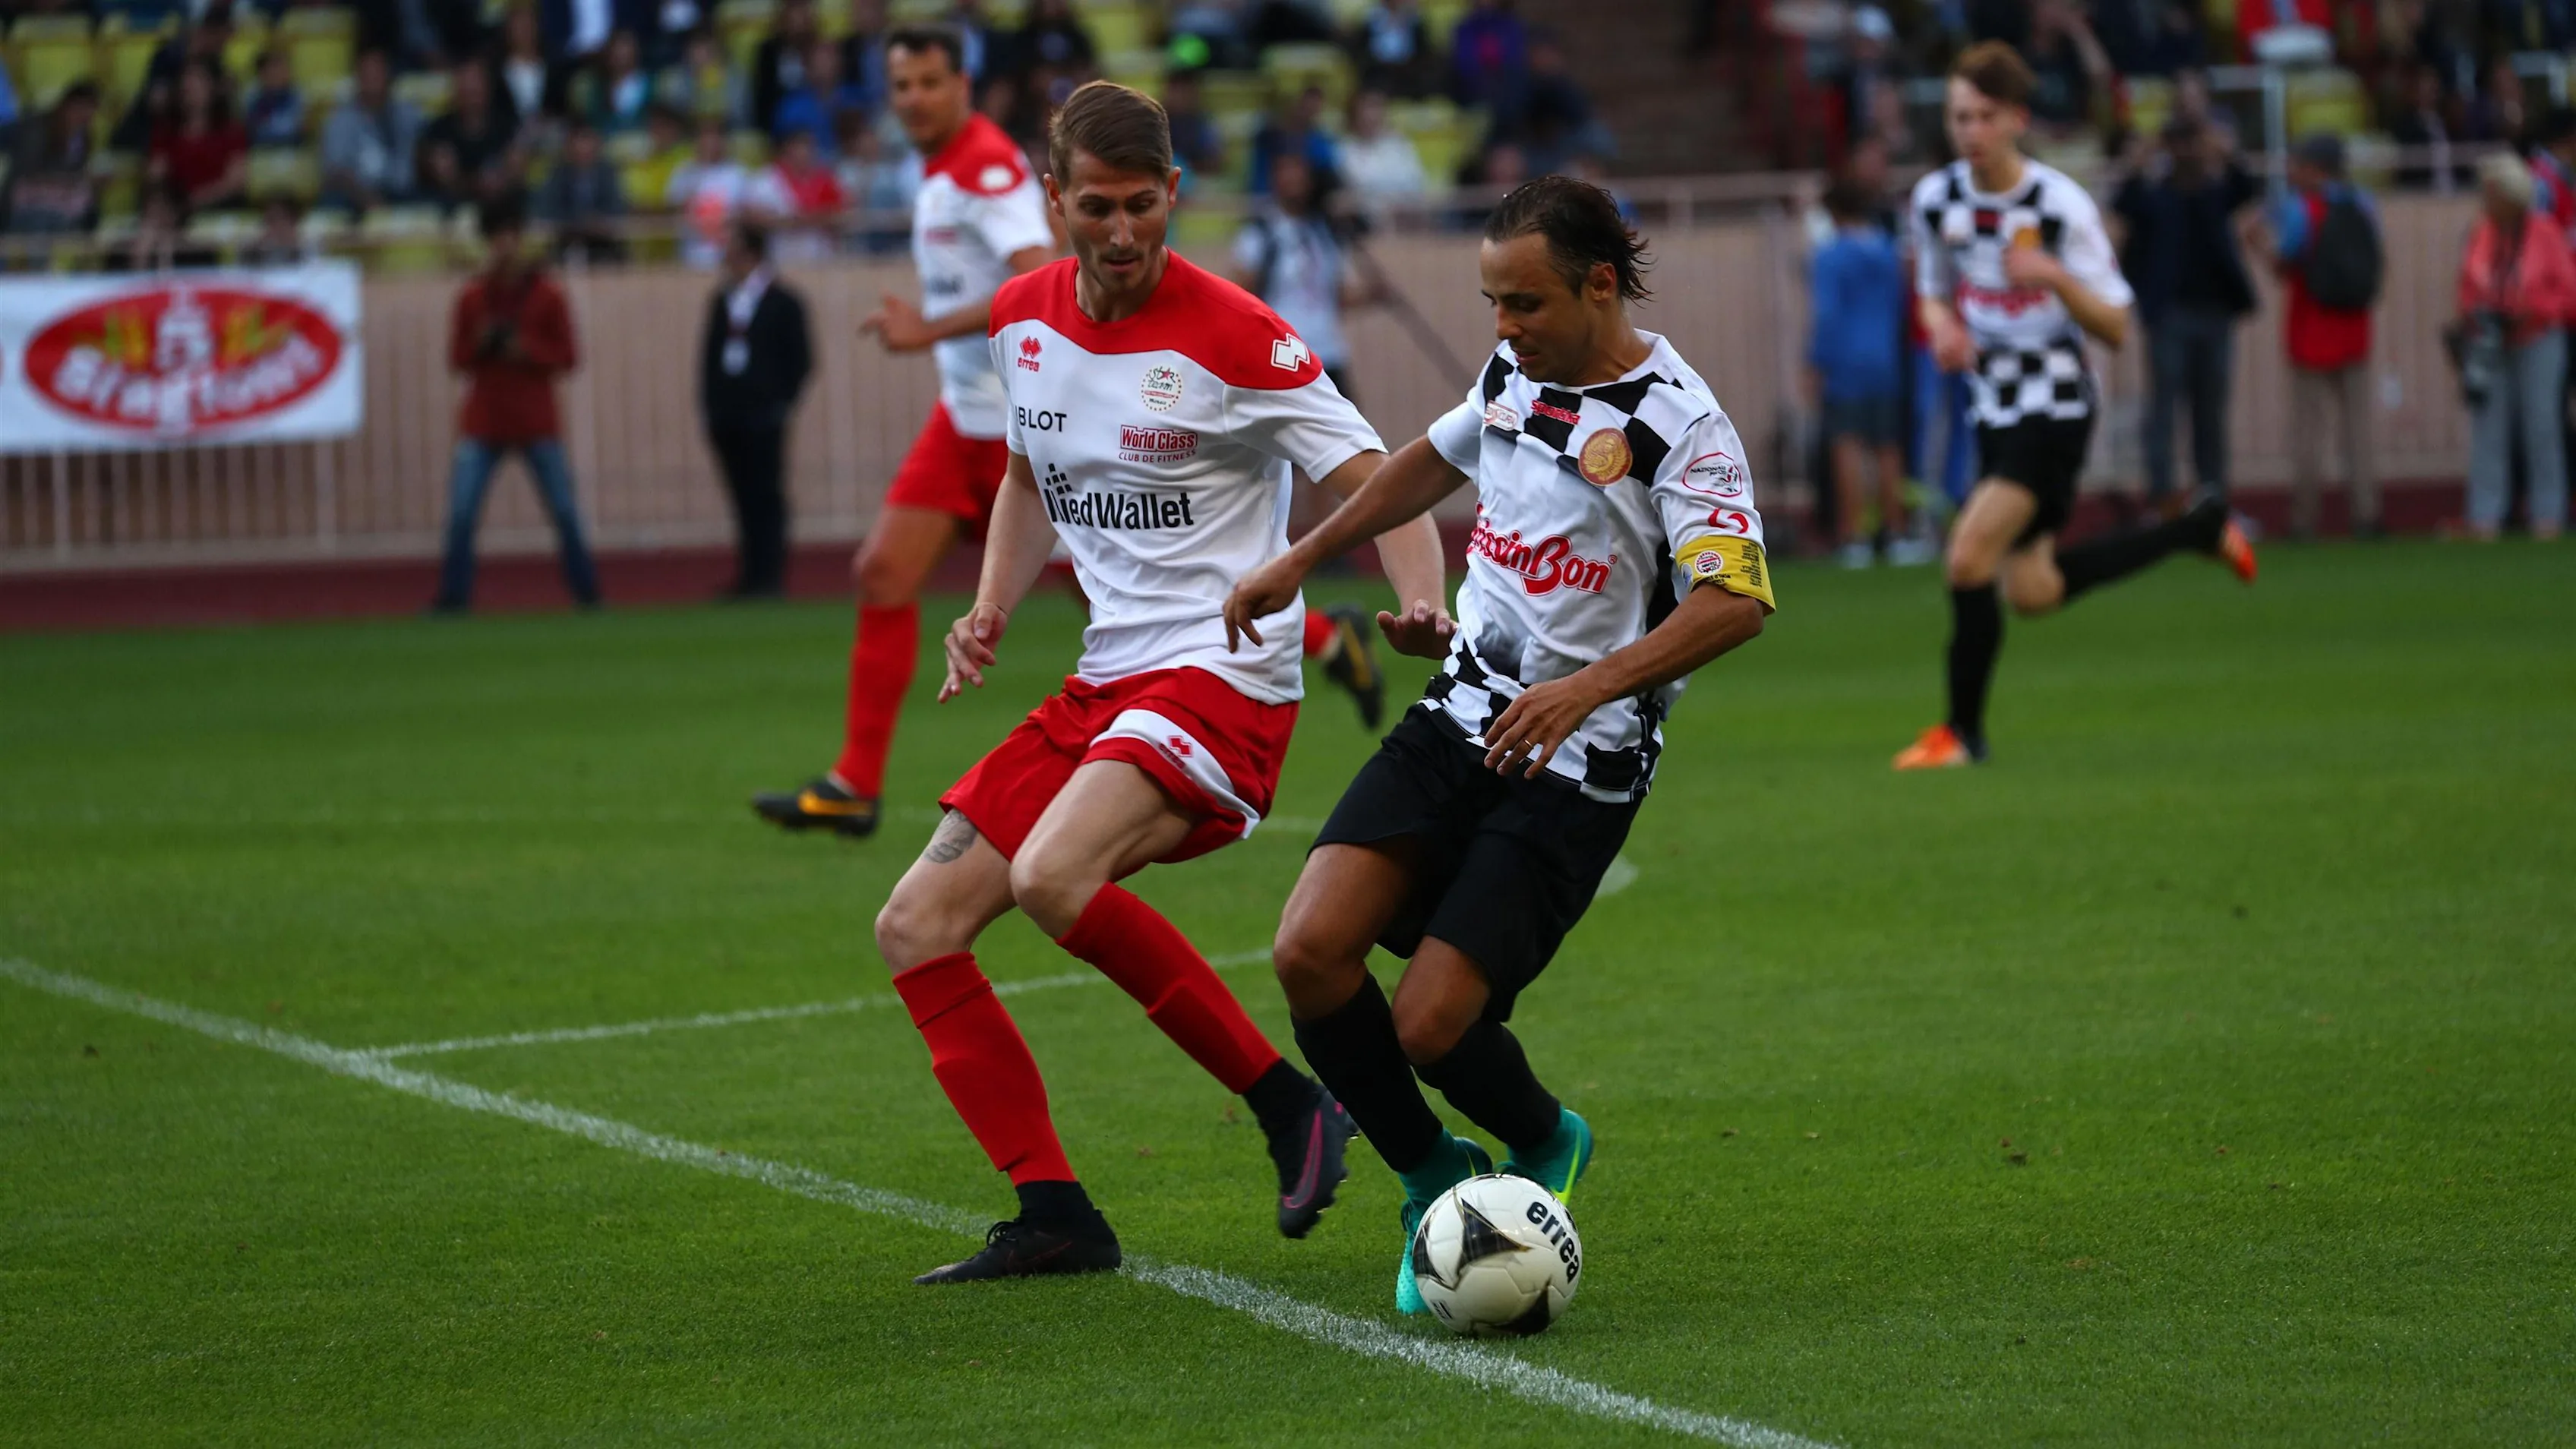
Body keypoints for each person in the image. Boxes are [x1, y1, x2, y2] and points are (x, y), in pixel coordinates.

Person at [874, 79, 1446, 1286]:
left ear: (1174, 194)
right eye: (1097, 207)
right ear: (1056, 200)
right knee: (916, 927)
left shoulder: (1238, 333)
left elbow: (1378, 476)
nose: (1124, 232)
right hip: (1104, 683)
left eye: (1145, 205)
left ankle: (1291, 1100)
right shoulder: (1023, 319)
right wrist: (985, 607)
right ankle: (1056, 1215)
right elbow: (1030, 481)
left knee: (1049, 874)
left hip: (1221, 676)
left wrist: (1423, 596)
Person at [1222, 174, 1774, 1317]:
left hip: (1579, 760)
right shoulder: (1514, 372)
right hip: (1461, 708)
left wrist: (1587, 688)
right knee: (1309, 952)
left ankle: (1544, 1137)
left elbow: (1736, 601)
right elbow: (1430, 459)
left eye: (1523, 303)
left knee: (1430, 1023)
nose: (1504, 327)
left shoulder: (1682, 425)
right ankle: (1434, 1178)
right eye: (1493, 303)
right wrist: (1296, 558)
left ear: (1600, 284)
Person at [1893, 43, 2254, 772]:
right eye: (1960, 116)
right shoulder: (1938, 200)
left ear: (2018, 119)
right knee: (2032, 589)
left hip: (2054, 403)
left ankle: (1962, 735)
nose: (1970, 130)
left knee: (1967, 558)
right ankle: (2193, 530)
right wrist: (1944, 328)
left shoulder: (2059, 205)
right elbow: (1932, 291)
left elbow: (2118, 326)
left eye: (1985, 116)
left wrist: (2054, 275)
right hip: (1991, 405)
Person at [750, 27, 1055, 837]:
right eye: (901, 85)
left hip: (1024, 432)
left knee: (1119, 588)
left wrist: (931, 329)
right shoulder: (939, 170)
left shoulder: (986, 170)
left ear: (964, 84)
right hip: (963, 420)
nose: (913, 98)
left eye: (928, 81)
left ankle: (1313, 635)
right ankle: (854, 785)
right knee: (882, 570)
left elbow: (1039, 275)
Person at [431, 199, 602, 614]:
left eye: (512, 237)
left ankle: (588, 594)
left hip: (534, 417)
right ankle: (454, 597)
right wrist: (484, 343)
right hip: (486, 418)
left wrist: (526, 350)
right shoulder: (473, 297)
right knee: (461, 513)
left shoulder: (547, 294)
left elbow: (569, 357)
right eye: (498, 238)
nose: (506, 247)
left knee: (564, 511)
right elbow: (457, 359)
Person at [2113, 118, 2259, 509]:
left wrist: (2225, 150)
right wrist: (2140, 159)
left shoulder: (2215, 193)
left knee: (2209, 412)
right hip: (2169, 317)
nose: (2187, 151)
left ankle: (2212, 500)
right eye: (2179, 143)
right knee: (2163, 409)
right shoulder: (2156, 196)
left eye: (2193, 142)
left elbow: (2247, 187)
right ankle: (2162, 500)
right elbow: (2122, 202)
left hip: (2215, 314)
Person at [2260, 134, 2382, 538]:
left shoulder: (2299, 209)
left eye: (2299, 164)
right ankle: (2366, 515)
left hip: (2310, 328)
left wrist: (2260, 246)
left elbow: (2287, 262)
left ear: (2316, 168)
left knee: (2309, 431)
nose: (2293, 172)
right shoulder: (2364, 204)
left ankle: (2304, 519)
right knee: (2358, 430)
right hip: (2354, 329)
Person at [2457, 150, 2576, 541]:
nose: (2486, 200)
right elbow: (2467, 286)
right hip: (2492, 342)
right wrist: (2477, 314)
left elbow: (2569, 293)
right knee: (2488, 428)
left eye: (2492, 192)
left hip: (2540, 337)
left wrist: (2534, 310)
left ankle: (2548, 515)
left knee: (2542, 426)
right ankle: (2485, 516)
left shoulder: (2545, 231)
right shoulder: (2482, 232)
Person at [699, 223, 815, 597]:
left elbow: (801, 360)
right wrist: (710, 406)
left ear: (751, 254)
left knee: (766, 494)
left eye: (733, 250)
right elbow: (708, 359)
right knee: (741, 497)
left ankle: (770, 576)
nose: (726, 259)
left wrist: (780, 403)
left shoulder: (784, 301)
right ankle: (749, 576)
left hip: (765, 415)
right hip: (727, 415)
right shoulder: (722, 300)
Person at [1810, 177, 1911, 567]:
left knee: (1847, 445)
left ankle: (1855, 537)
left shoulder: (1830, 256)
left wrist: (1816, 361)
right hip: (1885, 356)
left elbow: (1828, 314)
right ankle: (1897, 533)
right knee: (1888, 447)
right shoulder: (1888, 251)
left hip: (1846, 360)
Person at [320, 49, 425, 215]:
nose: (373, 81)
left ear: (389, 77)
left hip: (402, 192)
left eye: (378, 74)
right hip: (356, 195)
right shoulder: (341, 120)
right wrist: (369, 200)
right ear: (358, 79)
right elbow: (337, 172)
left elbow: (424, 152)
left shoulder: (407, 114)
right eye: (367, 75)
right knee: (332, 204)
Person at [419, 61, 525, 213]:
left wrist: (504, 178)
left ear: (488, 88)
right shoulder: (438, 130)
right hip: (453, 208)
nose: (471, 92)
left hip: (502, 207)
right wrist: (475, 183)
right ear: (455, 90)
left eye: (476, 86)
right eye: (466, 87)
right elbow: (443, 180)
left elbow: (516, 174)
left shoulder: (508, 126)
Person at [148, 58, 249, 213]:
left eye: (198, 81)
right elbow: (156, 176)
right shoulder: (166, 130)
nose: (190, 86)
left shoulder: (232, 130)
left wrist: (194, 201)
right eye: (186, 81)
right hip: (176, 211)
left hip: (221, 209)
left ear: (213, 88)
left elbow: (236, 182)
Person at [2, 82, 101, 238]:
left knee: (90, 209)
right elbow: (26, 173)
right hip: (28, 200)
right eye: (80, 110)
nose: (84, 117)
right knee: (44, 220)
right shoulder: (37, 129)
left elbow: (77, 172)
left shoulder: (81, 137)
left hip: (61, 201)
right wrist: (64, 181)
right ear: (67, 106)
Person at [534, 120, 629, 261]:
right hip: (566, 240)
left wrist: (598, 221)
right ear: (568, 146)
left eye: (588, 141)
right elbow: (546, 210)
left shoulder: (608, 172)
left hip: (602, 242)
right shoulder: (557, 174)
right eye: (579, 141)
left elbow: (617, 207)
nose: (584, 148)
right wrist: (579, 222)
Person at [243, 46, 305, 150]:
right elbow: (254, 131)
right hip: (259, 150)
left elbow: (298, 128)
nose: (283, 73)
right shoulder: (252, 95)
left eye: (285, 68)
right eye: (275, 68)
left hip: (291, 149)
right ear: (262, 73)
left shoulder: (297, 94)